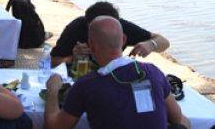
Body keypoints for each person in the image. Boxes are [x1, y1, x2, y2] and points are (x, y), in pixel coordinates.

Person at [44, 16, 191, 129]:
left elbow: (54, 126)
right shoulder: (154, 72)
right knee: (184, 121)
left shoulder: (86, 85)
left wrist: (53, 90)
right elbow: (177, 118)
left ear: (91, 46)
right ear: (123, 40)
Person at [50, 1, 170, 67]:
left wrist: (151, 44)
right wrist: (73, 58)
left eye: (109, 28)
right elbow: (54, 61)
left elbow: (164, 42)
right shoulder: (76, 28)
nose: (103, 33)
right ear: (88, 25)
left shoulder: (123, 27)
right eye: (96, 29)